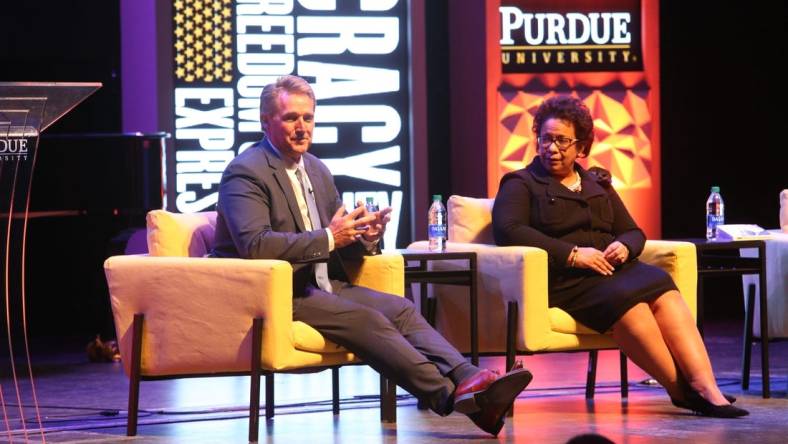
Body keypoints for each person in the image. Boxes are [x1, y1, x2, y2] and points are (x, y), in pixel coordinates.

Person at [210, 75, 533, 435]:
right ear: (265, 121)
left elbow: (337, 234)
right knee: (370, 320)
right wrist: (331, 237)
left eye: (309, 118)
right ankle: (451, 396)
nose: (302, 128)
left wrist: (365, 236)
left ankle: (470, 378)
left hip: (321, 283)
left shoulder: (315, 169)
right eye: (290, 118)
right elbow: (256, 245)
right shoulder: (245, 172)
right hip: (276, 293)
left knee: (401, 308)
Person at [492, 95, 748, 418]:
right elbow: (508, 229)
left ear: (581, 146)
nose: (551, 148)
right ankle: (681, 390)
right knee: (631, 305)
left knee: (663, 287)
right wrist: (572, 254)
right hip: (569, 280)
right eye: (545, 139)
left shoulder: (596, 182)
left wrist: (625, 247)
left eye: (562, 141)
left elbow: (633, 232)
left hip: (613, 271)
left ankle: (705, 386)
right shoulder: (521, 183)